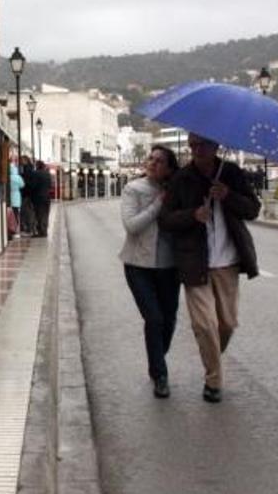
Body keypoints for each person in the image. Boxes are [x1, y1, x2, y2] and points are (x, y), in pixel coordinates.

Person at [159, 133, 260, 403]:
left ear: (216, 145)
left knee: (226, 324)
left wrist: (228, 195)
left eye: (202, 145)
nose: (196, 150)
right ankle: (213, 381)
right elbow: (166, 219)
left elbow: (253, 209)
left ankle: (211, 355)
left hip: (227, 263)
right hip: (195, 263)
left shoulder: (233, 173)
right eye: (192, 146)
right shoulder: (181, 178)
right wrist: (193, 215)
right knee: (205, 325)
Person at [119, 146, 180, 398]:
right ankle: (160, 374)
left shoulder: (176, 190)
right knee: (154, 319)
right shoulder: (133, 189)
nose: (153, 163)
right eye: (151, 159)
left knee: (168, 320)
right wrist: (158, 205)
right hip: (138, 265)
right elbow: (132, 226)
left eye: (160, 161)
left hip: (169, 265)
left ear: (169, 167)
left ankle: (157, 357)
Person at [30, 161, 53, 237]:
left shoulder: (35, 173)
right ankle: (44, 230)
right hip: (47, 197)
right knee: (45, 214)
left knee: (39, 214)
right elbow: (50, 185)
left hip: (38, 198)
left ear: (37, 166)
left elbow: (33, 185)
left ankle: (41, 232)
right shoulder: (47, 174)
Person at [9, 163, 25, 238]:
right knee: (16, 213)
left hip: (9, 196)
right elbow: (22, 185)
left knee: (10, 213)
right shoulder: (18, 177)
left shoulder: (9, 177)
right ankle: (15, 228)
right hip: (16, 196)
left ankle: (11, 228)